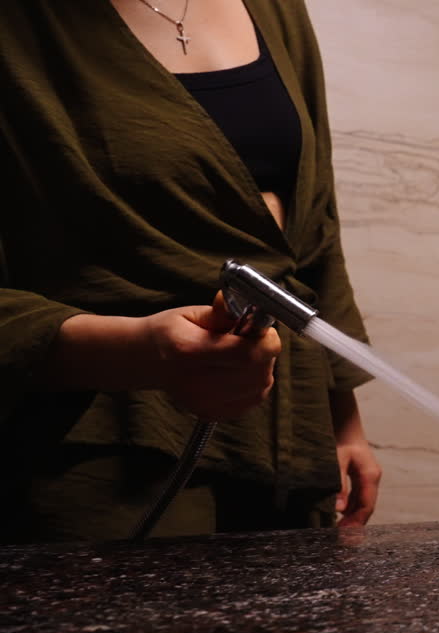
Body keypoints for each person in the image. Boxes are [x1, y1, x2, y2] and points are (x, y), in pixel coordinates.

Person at [0, 0, 382, 542]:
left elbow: (313, 224)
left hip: (287, 430)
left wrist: (343, 419)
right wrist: (138, 350)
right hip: (106, 447)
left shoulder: (276, 9)